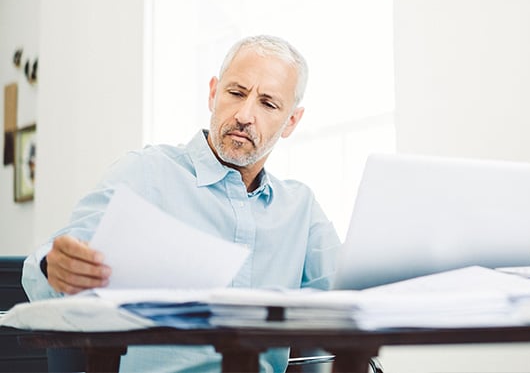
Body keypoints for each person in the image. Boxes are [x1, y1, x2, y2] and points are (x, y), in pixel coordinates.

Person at [21, 35, 341, 373]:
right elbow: (40, 275)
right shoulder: (146, 172)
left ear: (291, 121)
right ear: (213, 93)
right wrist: (55, 267)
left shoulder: (300, 208)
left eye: (268, 103)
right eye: (236, 93)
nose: (245, 115)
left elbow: (355, 298)